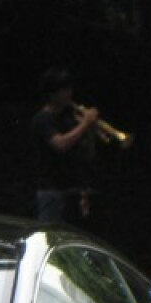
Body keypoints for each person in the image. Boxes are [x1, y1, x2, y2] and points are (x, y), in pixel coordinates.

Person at [31, 67, 100, 224]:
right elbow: (60, 144)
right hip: (52, 191)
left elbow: (88, 154)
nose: (69, 93)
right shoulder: (42, 119)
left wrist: (89, 131)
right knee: (50, 237)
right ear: (52, 93)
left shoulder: (69, 118)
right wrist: (85, 123)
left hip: (74, 190)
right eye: (64, 89)